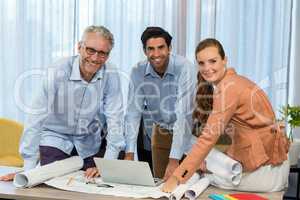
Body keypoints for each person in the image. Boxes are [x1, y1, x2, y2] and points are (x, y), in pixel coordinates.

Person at [162, 38, 290, 192]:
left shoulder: (228, 88)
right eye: (201, 63)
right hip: (275, 167)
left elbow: (208, 138)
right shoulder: (236, 81)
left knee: (204, 177)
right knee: (199, 156)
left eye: (213, 61)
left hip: (266, 175)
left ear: (225, 60)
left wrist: (177, 177)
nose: (207, 68)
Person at [0, 25, 125, 181]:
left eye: (102, 53)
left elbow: (116, 118)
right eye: (90, 50)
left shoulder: (111, 74)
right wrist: (28, 170)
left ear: (108, 55)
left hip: (88, 141)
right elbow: (36, 117)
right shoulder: (58, 70)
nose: (94, 58)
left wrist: (108, 166)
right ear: (79, 47)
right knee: (51, 183)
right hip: (55, 138)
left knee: (92, 182)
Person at [124, 27, 197, 180]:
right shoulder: (137, 71)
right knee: (161, 181)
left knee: (188, 181)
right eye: (151, 49)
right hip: (158, 133)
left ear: (169, 48)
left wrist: (174, 160)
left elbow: (183, 116)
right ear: (145, 51)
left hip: (188, 132)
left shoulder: (185, 68)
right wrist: (129, 154)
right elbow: (133, 113)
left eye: (161, 47)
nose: (156, 54)